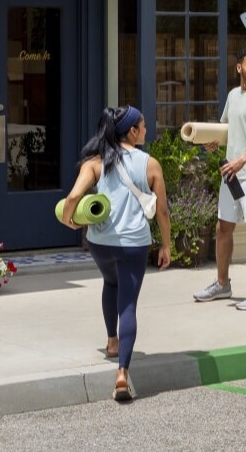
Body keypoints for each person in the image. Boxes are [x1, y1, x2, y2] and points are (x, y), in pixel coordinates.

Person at [61, 105, 170, 402]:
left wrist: (68, 219)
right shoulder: (150, 164)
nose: (146, 130)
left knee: (110, 283)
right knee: (129, 306)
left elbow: (73, 196)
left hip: (100, 243)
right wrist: (166, 244)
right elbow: (161, 210)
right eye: (143, 126)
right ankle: (122, 372)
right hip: (133, 243)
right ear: (132, 131)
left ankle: (112, 342)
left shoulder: (96, 162)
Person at [193, 45, 246, 310]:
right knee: (223, 228)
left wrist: (242, 160)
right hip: (231, 173)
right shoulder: (233, 95)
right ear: (239, 67)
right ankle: (222, 284)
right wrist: (214, 142)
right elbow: (228, 129)